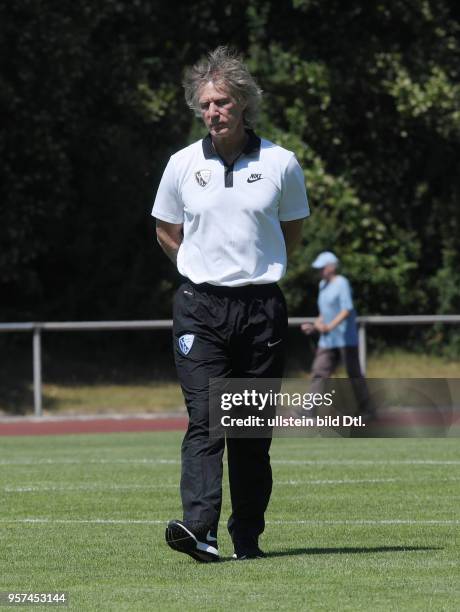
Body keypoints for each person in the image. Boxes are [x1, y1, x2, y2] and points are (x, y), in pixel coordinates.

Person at [152, 46, 309, 562]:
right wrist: (197, 268)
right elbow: (166, 230)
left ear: (243, 104)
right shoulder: (181, 164)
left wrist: (251, 270)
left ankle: (248, 539)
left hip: (261, 311)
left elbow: (291, 234)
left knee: (249, 433)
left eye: (222, 102)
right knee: (206, 419)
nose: (213, 112)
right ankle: (199, 532)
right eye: (205, 104)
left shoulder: (282, 163)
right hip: (199, 308)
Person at [301, 251, 374, 421]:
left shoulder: (342, 283)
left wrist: (329, 327)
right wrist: (316, 325)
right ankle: (309, 410)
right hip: (328, 340)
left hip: (344, 339)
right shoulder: (322, 285)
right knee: (319, 372)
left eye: (322, 267)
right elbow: (323, 312)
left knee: (354, 374)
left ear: (331, 267)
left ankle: (367, 409)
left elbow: (346, 309)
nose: (319, 271)